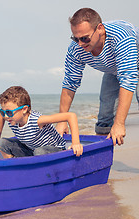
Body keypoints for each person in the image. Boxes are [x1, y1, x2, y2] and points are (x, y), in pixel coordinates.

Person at [56, 8, 139, 146]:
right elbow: (70, 84)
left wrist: (119, 124)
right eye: (75, 38)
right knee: (104, 118)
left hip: (131, 63)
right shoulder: (76, 49)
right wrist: (61, 120)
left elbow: (128, 79)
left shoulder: (122, 37)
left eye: (84, 38)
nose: (80, 44)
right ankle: (100, 160)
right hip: (115, 69)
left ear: (100, 29)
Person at [0, 86, 83, 158]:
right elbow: (1, 116)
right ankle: (14, 168)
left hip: (54, 150)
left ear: (24, 109)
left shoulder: (37, 120)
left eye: (9, 112)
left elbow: (71, 116)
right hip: (32, 150)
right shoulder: (12, 119)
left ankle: (42, 173)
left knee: (39, 152)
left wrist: (76, 143)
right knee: (3, 143)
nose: (5, 115)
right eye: (3, 111)